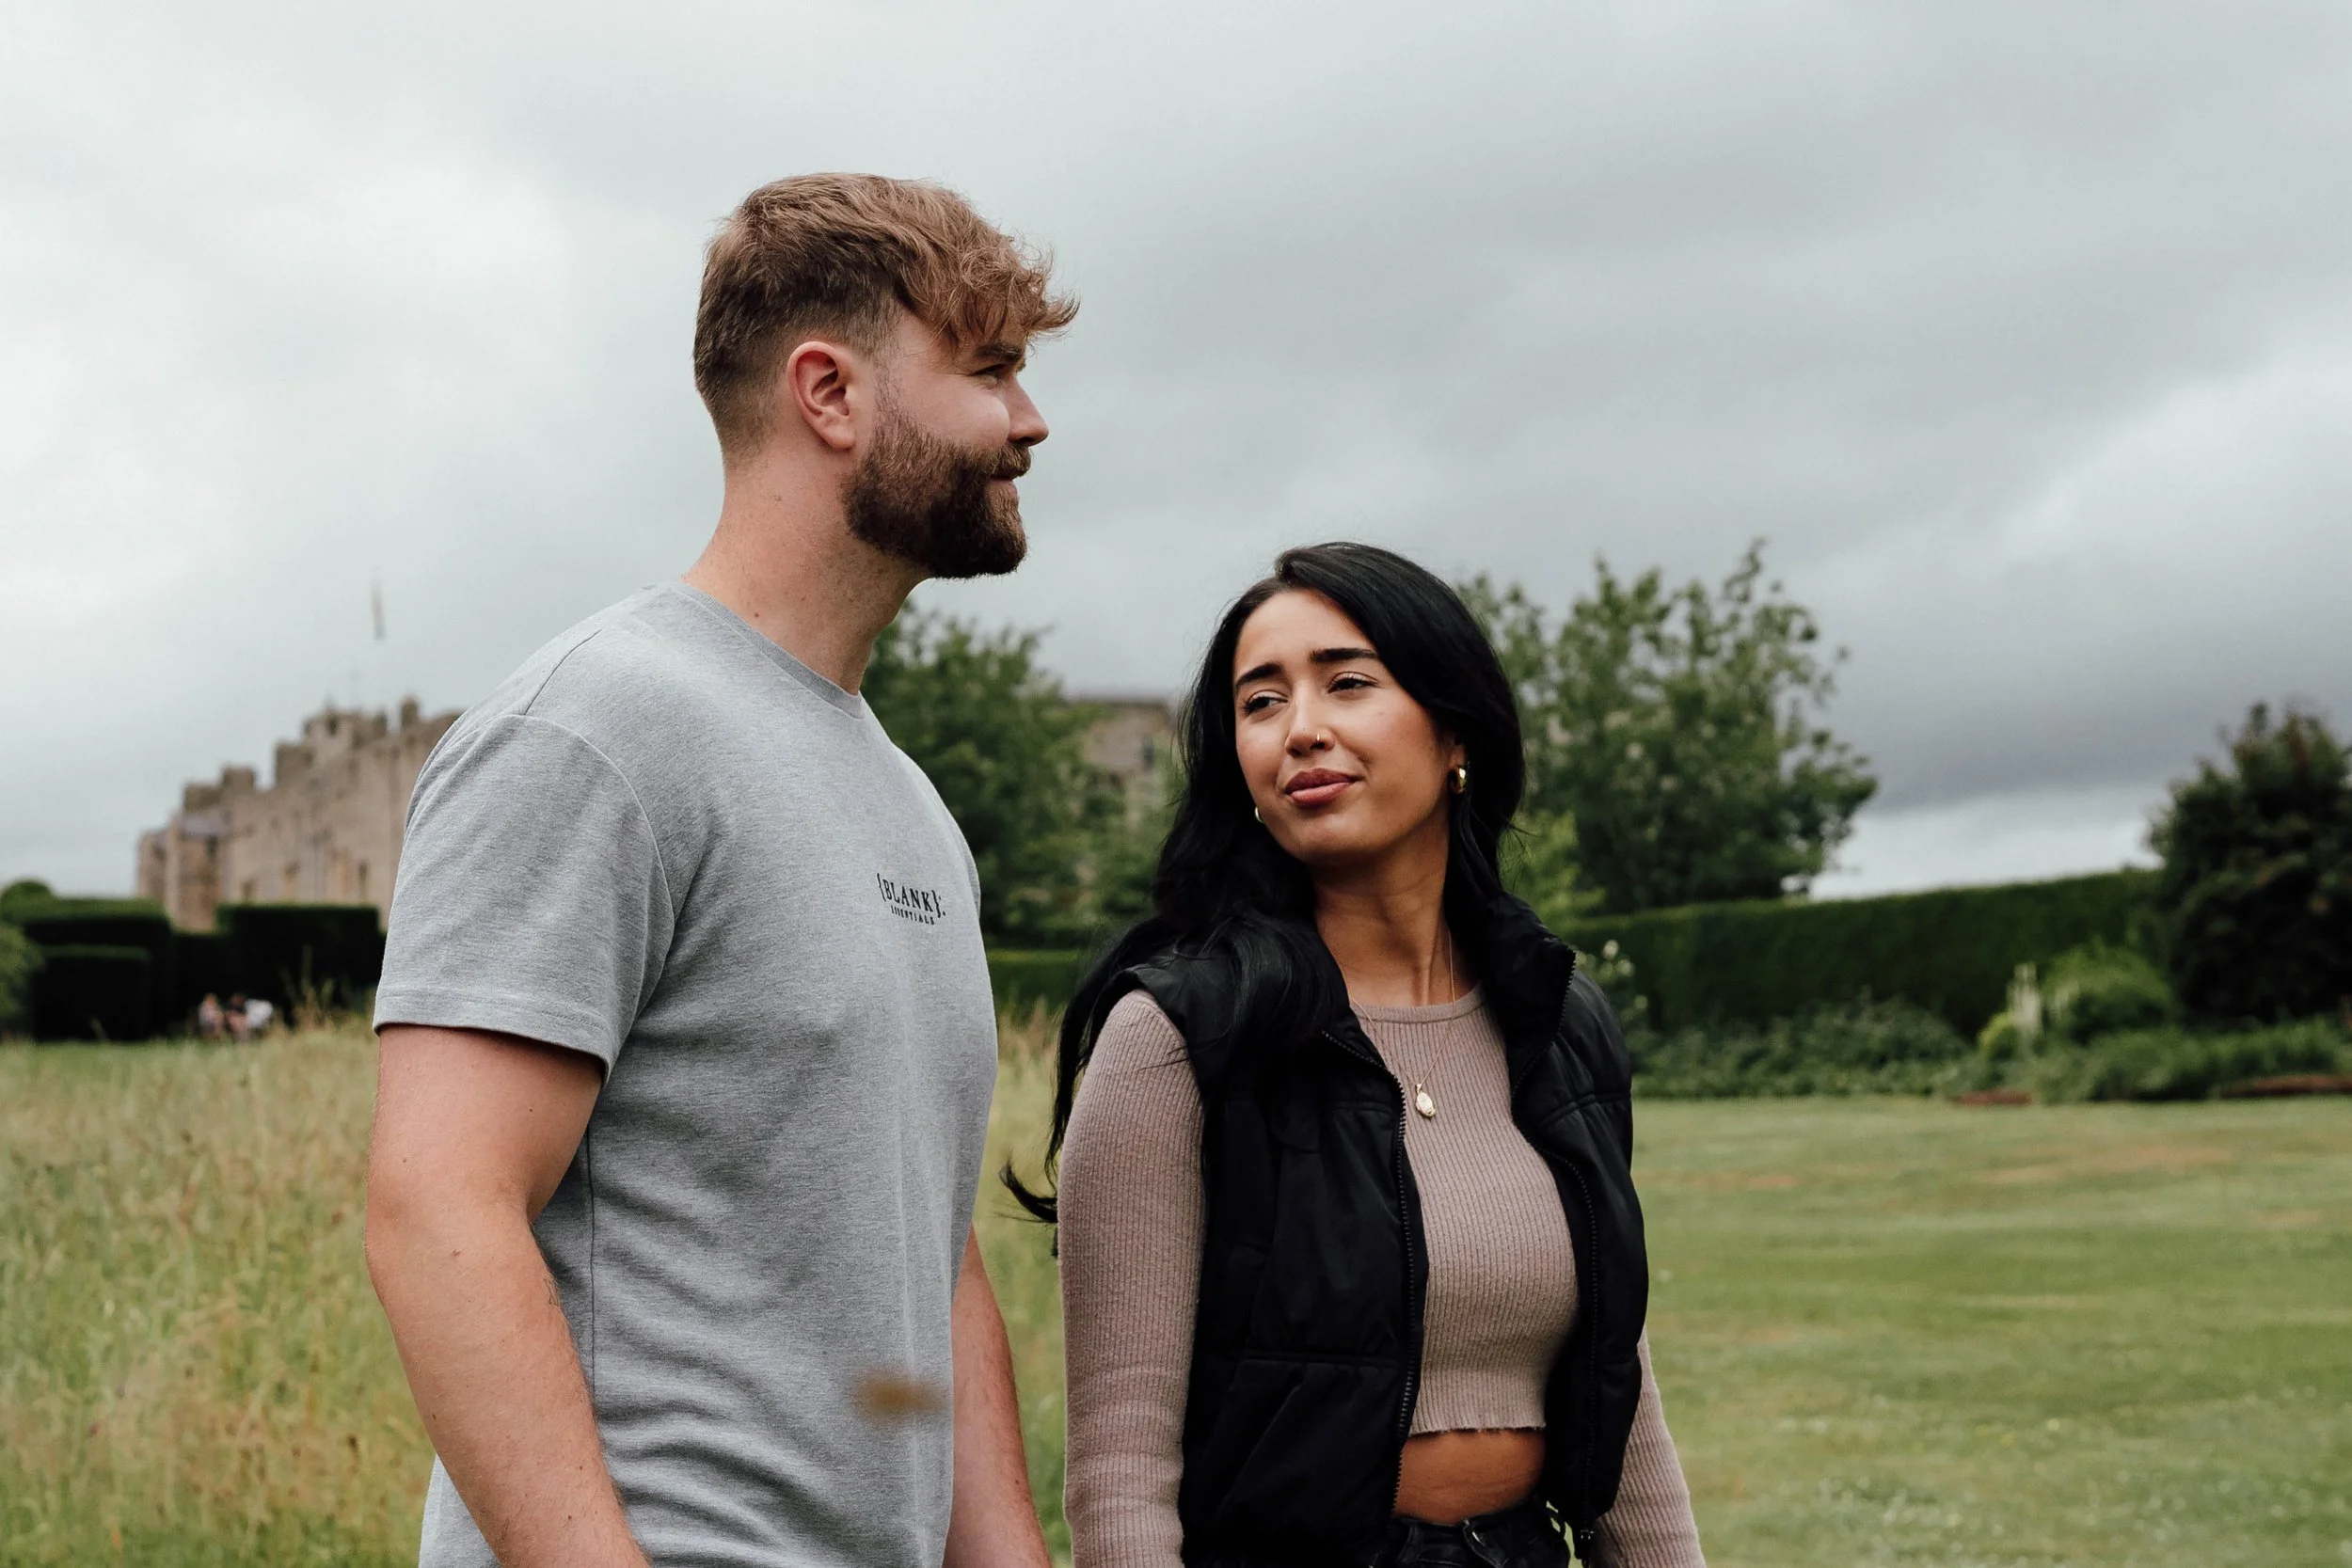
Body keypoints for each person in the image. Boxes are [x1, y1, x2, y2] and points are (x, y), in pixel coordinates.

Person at [364, 173, 1074, 1568]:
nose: (1029, 421)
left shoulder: (912, 806)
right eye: (990, 368)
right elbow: (439, 1204)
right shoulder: (595, 731)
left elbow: (919, 1253)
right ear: (828, 391)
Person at [1020, 544, 1707, 1568]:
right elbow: (1118, 1477)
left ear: (1454, 730)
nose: (1302, 728)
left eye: (1347, 682)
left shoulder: (1559, 1024)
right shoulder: (1177, 1036)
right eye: (1261, 702)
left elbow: (1621, 1386)